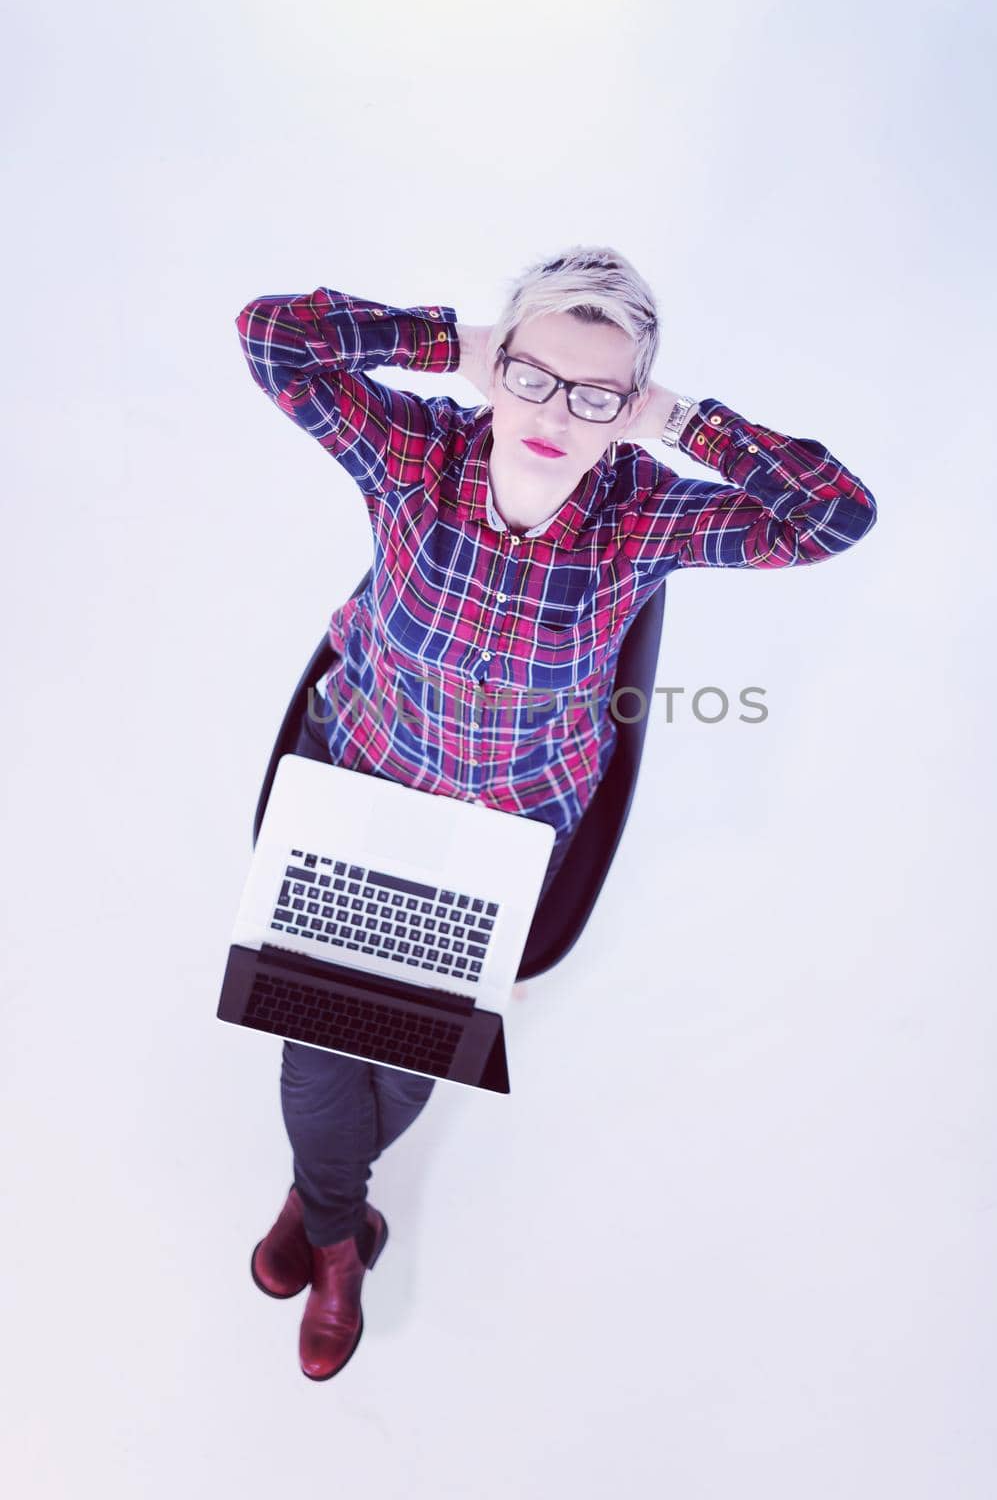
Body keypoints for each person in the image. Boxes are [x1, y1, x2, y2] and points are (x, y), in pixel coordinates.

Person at [233, 245, 878, 1380]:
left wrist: (679, 419)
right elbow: (271, 335)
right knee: (318, 1053)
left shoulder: (641, 517)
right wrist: (449, 347)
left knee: (402, 1059)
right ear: (499, 363)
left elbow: (834, 517)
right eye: (533, 375)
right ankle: (340, 1238)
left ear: (628, 409)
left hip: (499, 837)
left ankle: (322, 1207)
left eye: (597, 395)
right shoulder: (416, 451)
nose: (555, 413)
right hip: (363, 782)